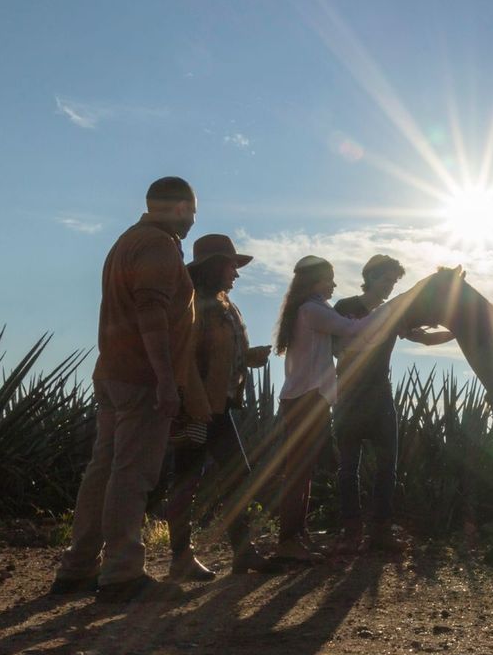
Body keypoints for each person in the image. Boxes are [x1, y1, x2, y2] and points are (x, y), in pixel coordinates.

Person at [51, 176, 199, 603]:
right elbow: (151, 310)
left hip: (113, 372)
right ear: (180, 207)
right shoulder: (157, 245)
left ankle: (79, 566)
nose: (192, 221)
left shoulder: (126, 242)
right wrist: (166, 379)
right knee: (132, 473)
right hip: (141, 378)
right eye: (192, 211)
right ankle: (121, 573)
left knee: (105, 469)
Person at [161, 234, 281, 580]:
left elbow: (221, 354)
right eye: (231, 266)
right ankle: (185, 556)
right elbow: (185, 357)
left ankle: (238, 552)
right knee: (191, 480)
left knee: (228, 476)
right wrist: (196, 402)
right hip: (197, 407)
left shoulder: (224, 305)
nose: (236, 273)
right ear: (214, 267)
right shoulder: (194, 305)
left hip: (218, 405)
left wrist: (248, 358)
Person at [332, 255, 454, 553]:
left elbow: (424, 339)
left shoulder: (395, 314)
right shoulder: (345, 307)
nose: (390, 286)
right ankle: (351, 533)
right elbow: (334, 347)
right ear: (370, 277)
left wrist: (458, 332)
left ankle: (380, 532)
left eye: (394, 282)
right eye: (386, 280)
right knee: (348, 468)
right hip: (348, 395)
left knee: (388, 467)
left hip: (381, 394)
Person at [272, 256, 383, 563]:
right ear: (315, 281)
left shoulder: (308, 309)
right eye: (329, 279)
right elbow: (352, 329)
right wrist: (388, 311)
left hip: (308, 398)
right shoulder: (312, 310)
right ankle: (288, 540)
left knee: (303, 471)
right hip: (307, 399)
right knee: (298, 472)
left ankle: (297, 535)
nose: (334, 284)